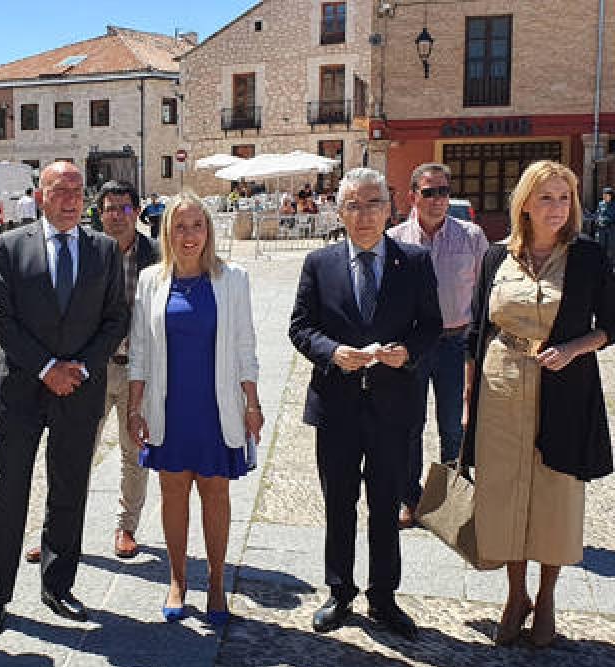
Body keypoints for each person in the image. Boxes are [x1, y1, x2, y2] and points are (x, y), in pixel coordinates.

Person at [465, 161, 615, 647]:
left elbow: (611, 324)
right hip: (501, 385)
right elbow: (475, 330)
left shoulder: (588, 256)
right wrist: (469, 398)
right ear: (525, 203)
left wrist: (573, 349)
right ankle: (515, 595)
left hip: (564, 388)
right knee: (505, 492)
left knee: (554, 495)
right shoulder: (495, 256)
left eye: (565, 198)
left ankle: (547, 597)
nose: (557, 208)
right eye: (547, 198)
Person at [0, 161, 128, 637]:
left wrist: (79, 367)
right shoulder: (10, 246)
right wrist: (46, 368)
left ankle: (58, 587)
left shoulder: (103, 250)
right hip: (21, 387)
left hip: (79, 390)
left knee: (69, 488)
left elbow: (116, 318)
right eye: (60, 191)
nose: (70, 200)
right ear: (40, 196)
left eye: (78, 192)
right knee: (9, 491)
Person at [288, 167, 441, 640]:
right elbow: (300, 327)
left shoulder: (413, 261)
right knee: (339, 502)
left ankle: (384, 597)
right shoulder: (320, 262)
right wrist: (332, 352)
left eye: (373, 203)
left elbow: (431, 326)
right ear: (340, 211)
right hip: (337, 406)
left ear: (390, 207)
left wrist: (407, 354)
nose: (363, 214)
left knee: (385, 504)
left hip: (394, 407)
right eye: (353, 205)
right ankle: (339, 592)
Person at [127, 192, 260, 624]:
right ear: (167, 232)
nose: (189, 235)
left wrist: (252, 402)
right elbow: (141, 350)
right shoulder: (151, 280)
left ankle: (217, 583)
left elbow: (245, 345)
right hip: (169, 405)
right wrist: (134, 406)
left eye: (196, 226)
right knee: (173, 495)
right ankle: (178, 579)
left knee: (216, 495)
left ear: (209, 230)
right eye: (180, 227)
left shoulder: (232, 278)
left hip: (216, 405)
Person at [23, 180, 158, 564]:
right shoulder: (88, 251)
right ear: (99, 212)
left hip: (138, 370)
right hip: (91, 369)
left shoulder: (156, 254)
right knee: (74, 452)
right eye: (109, 208)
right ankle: (58, 533)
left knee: (135, 450)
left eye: (125, 208)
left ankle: (126, 526)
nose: (116, 215)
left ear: (137, 212)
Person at [388, 163, 488, 529]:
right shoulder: (396, 240)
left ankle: (450, 500)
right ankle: (409, 499)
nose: (437, 199)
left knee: (453, 425)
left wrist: (477, 349)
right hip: (413, 346)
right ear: (413, 195)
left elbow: (485, 295)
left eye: (443, 191)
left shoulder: (472, 237)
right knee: (410, 423)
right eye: (429, 192)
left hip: (454, 343)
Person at [595, 186, 614, 259]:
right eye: (603, 195)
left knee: (610, 249)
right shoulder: (601, 203)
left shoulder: (613, 205)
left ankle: (611, 265)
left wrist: (604, 219)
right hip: (601, 229)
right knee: (600, 246)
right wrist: (597, 219)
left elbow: (612, 217)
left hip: (610, 230)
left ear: (610, 196)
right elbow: (597, 213)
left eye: (606, 195)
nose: (604, 196)